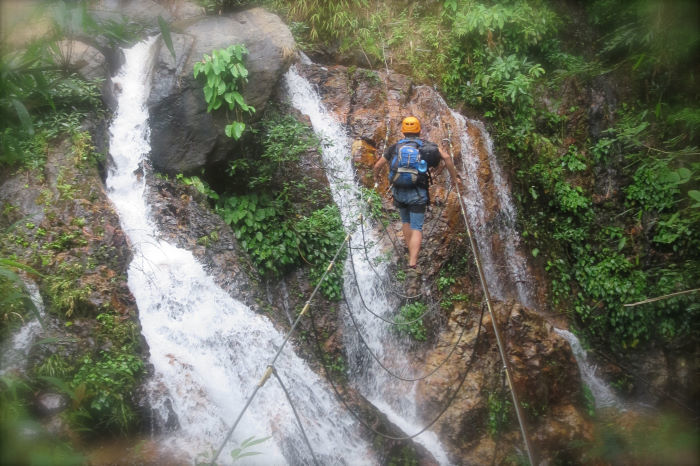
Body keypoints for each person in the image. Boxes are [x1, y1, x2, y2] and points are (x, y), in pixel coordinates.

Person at [372, 116, 462, 293]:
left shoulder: (395, 147)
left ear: (403, 131)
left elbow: (377, 166)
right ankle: (413, 265)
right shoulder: (427, 148)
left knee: (406, 223)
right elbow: (447, 159)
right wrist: (454, 177)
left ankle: (409, 252)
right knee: (417, 227)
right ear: (419, 131)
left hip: (399, 191)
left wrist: (376, 180)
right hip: (417, 193)